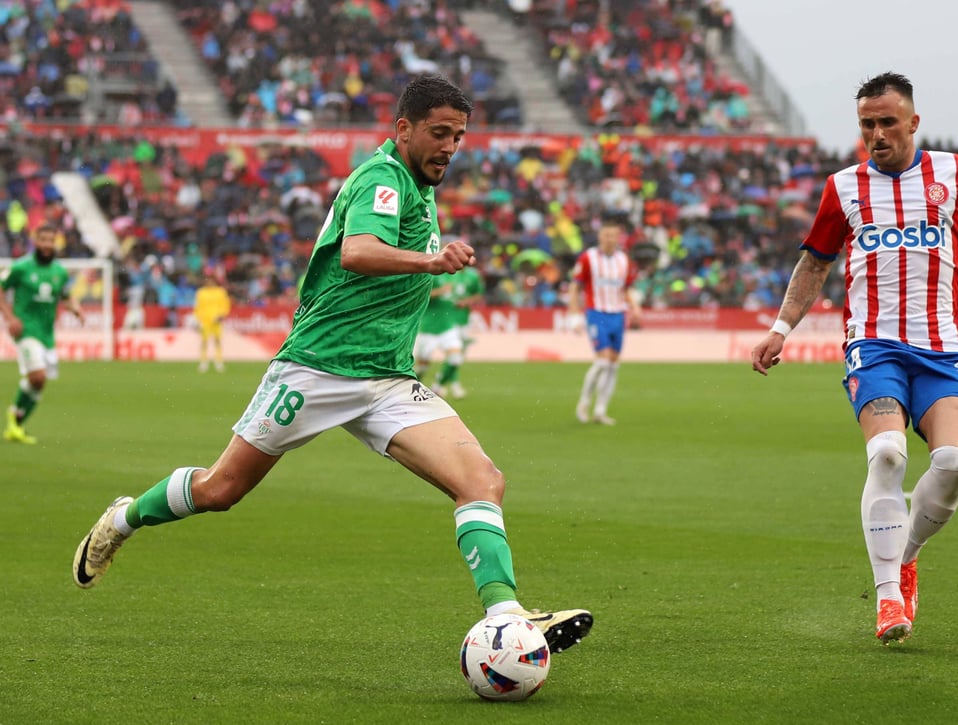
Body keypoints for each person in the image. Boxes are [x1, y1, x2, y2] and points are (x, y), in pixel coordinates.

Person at [70, 74, 593, 653]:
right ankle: (124, 518)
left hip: (388, 378)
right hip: (316, 368)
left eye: (459, 136)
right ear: (404, 128)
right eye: (439, 133)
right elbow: (358, 251)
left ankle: (509, 616)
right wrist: (431, 260)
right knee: (221, 490)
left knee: (482, 481)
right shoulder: (382, 179)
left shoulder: (419, 184)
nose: (449, 146)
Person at [750, 72, 958, 644]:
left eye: (888, 122)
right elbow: (815, 263)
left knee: (956, 465)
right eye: (868, 124)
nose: (878, 134)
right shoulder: (843, 188)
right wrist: (780, 328)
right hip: (874, 347)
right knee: (887, 454)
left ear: (913, 122)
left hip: (942, 351)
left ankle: (906, 557)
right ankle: (888, 597)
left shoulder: (956, 175)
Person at [2, 224, 83, 445]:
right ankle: (13, 418)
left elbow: (65, 296)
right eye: (43, 240)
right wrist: (10, 318)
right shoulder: (21, 267)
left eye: (51, 240)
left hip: (47, 334)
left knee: (39, 383)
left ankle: (16, 423)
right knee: (37, 376)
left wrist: (74, 307)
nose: (47, 245)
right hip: (26, 330)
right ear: (35, 241)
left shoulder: (59, 271)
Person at [568, 217, 640, 425]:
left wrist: (635, 307)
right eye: (606, 235)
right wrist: (574, 315)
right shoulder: (587, 258)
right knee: (602, 360)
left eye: (613, 235)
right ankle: (584, 402)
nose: (609, 239)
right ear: (600, 236)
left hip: (618, 314)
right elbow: (575, 287)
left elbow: (625, 289)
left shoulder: (624, 260)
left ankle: (600, 410)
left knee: (613, 365)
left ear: (618, 237)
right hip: (596, 313)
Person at [414, 263, 483, 398]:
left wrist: (463, 302)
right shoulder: (431, 275)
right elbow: (419, 295)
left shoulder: (456, 277)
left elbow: (470, 295)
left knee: (456, 358)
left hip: (448, 327)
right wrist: (439, 292)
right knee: (422, 367)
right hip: (428, 328)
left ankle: (437, 387)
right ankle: (411, 389)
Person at [194, 272, 231, 373]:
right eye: (207, 280)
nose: (209, 282)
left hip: (216, 320)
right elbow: (198, 307)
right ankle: (203, 362)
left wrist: (221, 315)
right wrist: (198, 319)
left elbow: (225, 305)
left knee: (217, 340)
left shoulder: (220, 292)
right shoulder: (201, 292)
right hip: (205, 320)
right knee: (204, 341)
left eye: (211, 280)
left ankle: (218, 361)